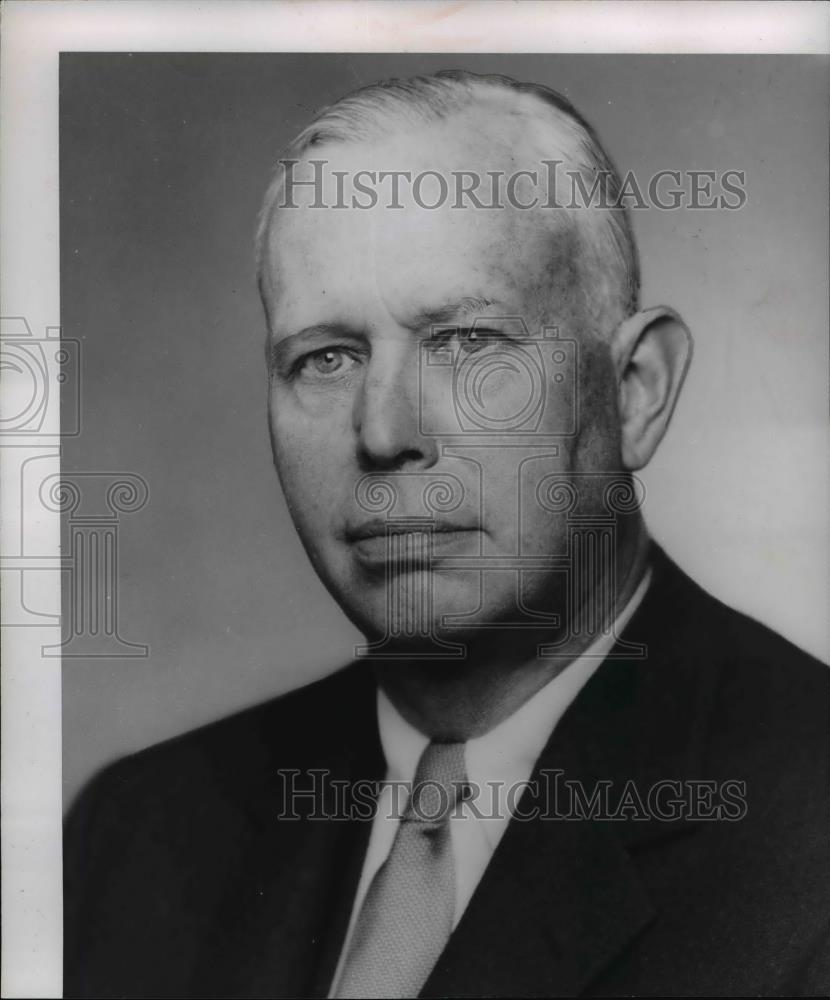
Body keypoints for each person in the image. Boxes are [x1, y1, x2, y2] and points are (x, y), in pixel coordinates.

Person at [64, 70, 830, 998]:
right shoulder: (139, 833)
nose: (384, 434)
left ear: (636, 391)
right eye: (327, 358)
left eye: (467, 344)